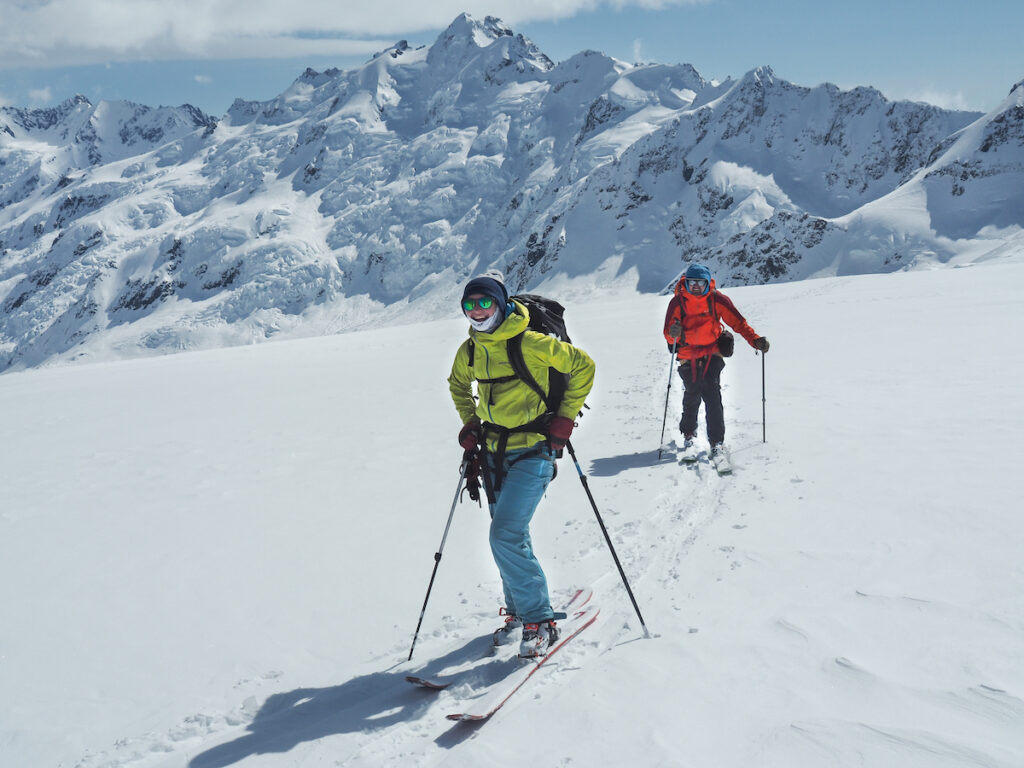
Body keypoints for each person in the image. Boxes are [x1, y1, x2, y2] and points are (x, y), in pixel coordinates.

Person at [448, 270, 595, 658]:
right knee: (508, 533)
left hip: (534, 448)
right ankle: (518, 611)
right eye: (470, 304)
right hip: (493, 452)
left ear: (500, 303)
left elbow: (583, 367)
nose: (477, 311)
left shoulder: (530, 341)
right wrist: (469, 422)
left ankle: (538, 618)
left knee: (504, 535)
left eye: (485, 302)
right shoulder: (471, 350)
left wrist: (564, 417)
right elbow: (457, 385)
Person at [663, 263, 768, 461]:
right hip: (687, 353)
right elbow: (668, 334)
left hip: (713, 351)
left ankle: (716, 442)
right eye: (691, 282)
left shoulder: (717, 299)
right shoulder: (677, 303)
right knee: (692, 391)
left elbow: (738, 323)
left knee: (712, 393)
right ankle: (688, 433)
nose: (695, 287)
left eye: (700, 283)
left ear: (707, 283)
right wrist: (672, 334)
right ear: (685, 283)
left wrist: (755, 340)